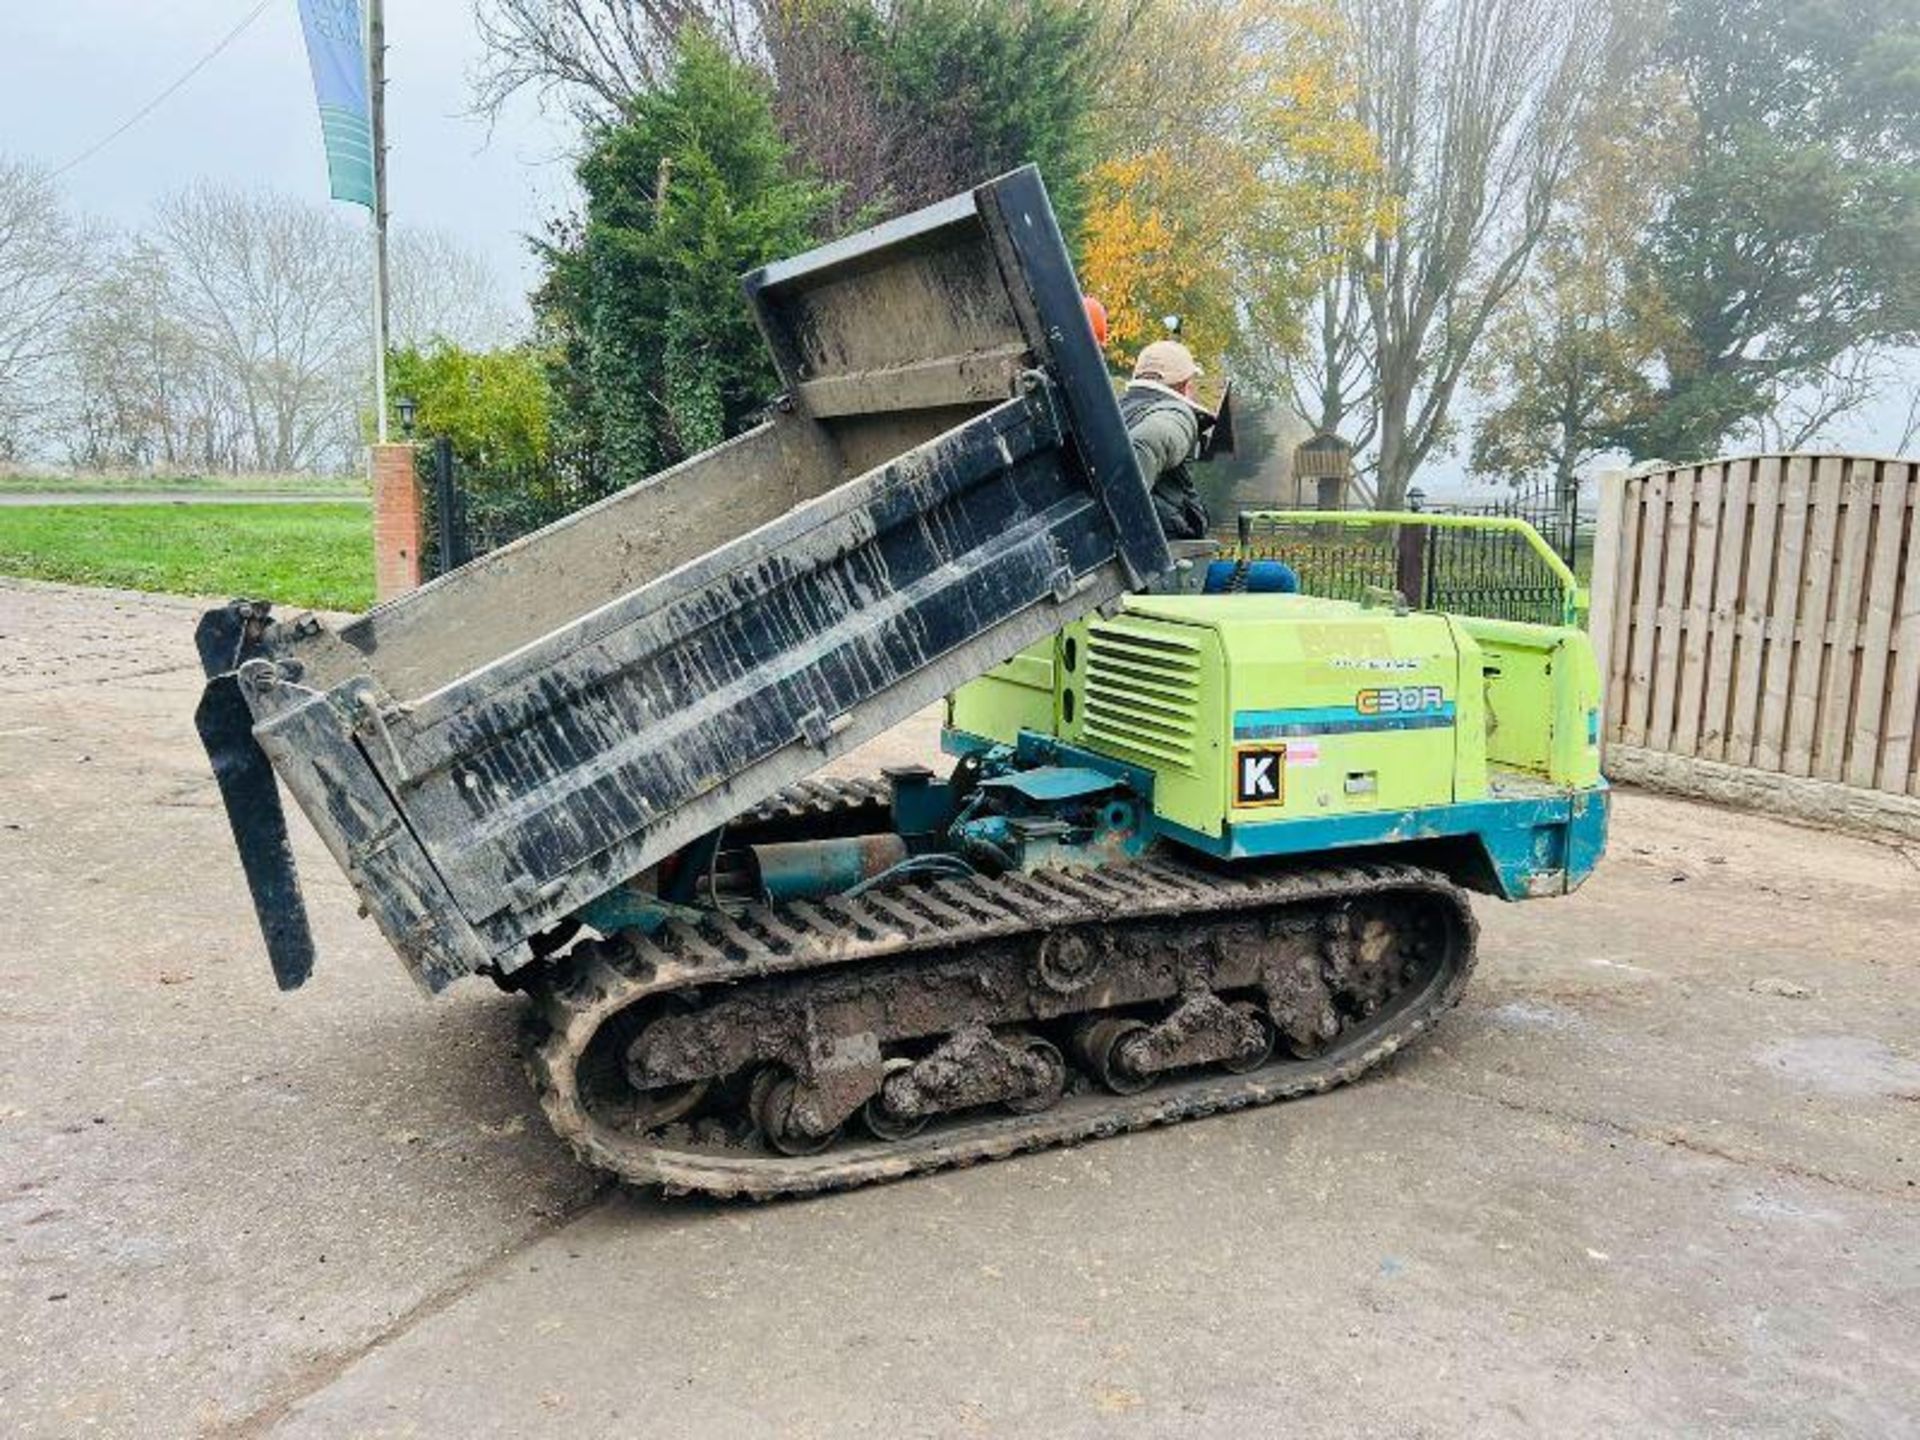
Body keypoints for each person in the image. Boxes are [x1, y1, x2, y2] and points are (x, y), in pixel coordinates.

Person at [1120, 339, 1210, 540]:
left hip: (1140, 544)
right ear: (1186, 385)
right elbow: (1145, 442)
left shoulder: (1117, 410)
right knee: (1279, 573)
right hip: (1163, 548)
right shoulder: (1176, 413)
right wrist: (1120, 510)